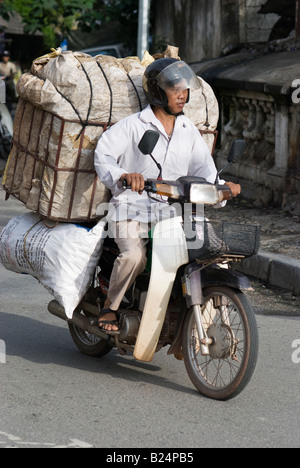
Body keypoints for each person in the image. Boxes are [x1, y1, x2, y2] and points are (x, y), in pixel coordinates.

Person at [94, 58, 241, 332]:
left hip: (177, 211)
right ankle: (110, 307)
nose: (182, 94)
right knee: (134, 256)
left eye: (184, 88)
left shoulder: (188, 131)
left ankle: (204, 318)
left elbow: (205, 170)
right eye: (174, 88)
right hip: (132, 207)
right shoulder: (133, 126)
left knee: (216, 254)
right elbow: (103, 156)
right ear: (158, 91)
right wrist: (124, 175)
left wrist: (222, 188)